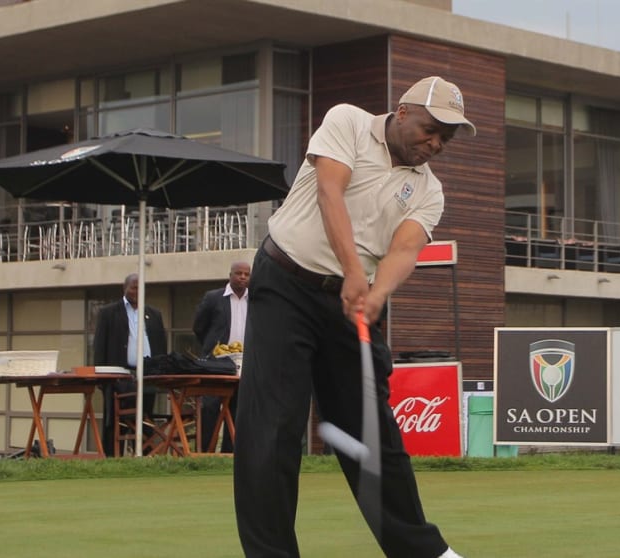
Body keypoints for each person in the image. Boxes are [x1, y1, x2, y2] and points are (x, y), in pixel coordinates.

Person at [234, 76, 474, 558]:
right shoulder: (347, 120)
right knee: (274, 427)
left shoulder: (429, 191)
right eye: (431, 129)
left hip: (350, 302)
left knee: (373, 432)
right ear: (403, 112)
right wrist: (352, 273)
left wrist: (377, 292)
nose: (436, 144)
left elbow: (405, 249)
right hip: (285, 283)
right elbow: (330, 193)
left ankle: (421, 551)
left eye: (445, 138)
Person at [93, 272, 168, 457]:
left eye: (141, 288)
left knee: (145, 419)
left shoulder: (154, 314)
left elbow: (161, 345)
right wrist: (101, 378)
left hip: (147, 376)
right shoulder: (109, 313)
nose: (137, 291)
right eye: (134, 287)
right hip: (119, 376)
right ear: (125, 288)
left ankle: (144, 456)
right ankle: (111, 459)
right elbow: (99, 346)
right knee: (116, 421)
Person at [192, 260, 250, 452]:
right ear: (230, 275)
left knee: (238, 409)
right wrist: (212, 349)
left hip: (244, 364)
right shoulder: (213, 298)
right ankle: (204, 453)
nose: (242, 277)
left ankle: (231, 454)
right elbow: (199, 327)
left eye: (246, 274)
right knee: (210, 407)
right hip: (216, 363)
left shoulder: (256, 300)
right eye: (238, 273)